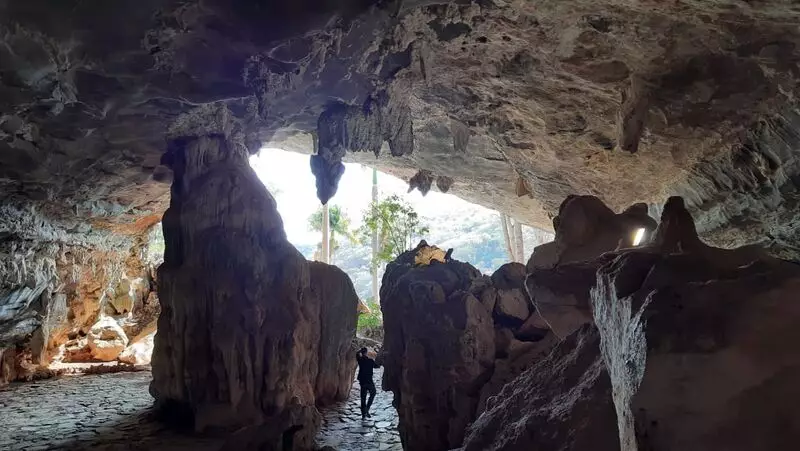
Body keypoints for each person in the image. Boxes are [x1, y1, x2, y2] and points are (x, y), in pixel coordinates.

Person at [356, 347, 381, 419]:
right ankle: (367, 409)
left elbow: (357, 354)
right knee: (373, 393)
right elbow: (377, 366)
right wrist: (378, 355)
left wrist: (359, 350)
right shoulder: (370, 361)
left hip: (362, 381)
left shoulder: (360, 360)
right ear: (366, 352)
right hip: (369, 381)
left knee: (363, 397)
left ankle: (363, 414)